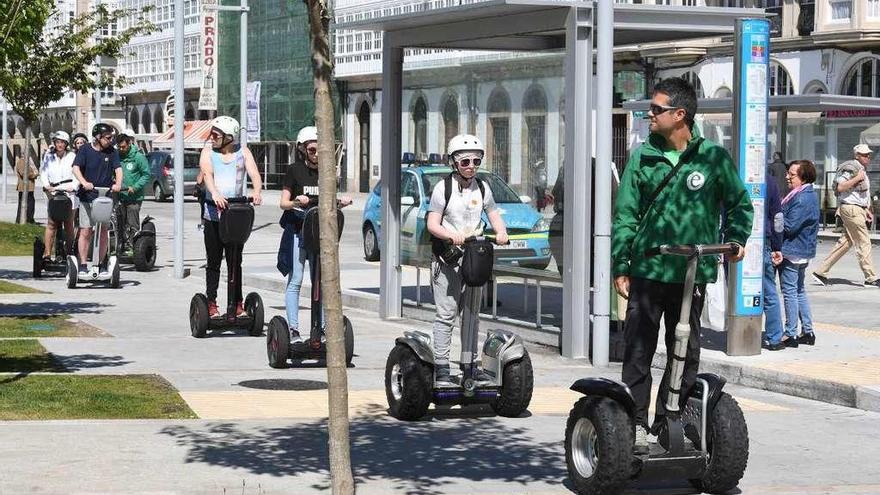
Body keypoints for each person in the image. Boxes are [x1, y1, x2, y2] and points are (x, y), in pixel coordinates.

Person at [611, 77, 752, 453]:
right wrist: (620, 264)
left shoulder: (712, 159)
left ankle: (669, 420)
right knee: (638, 351)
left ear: (680, 114)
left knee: (685, 352)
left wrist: (736, 239)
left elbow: (739, 203)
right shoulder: (643, 157)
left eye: (656, 109)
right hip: (648, 271)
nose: (649, 115)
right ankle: (636, 426)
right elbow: (625, 215)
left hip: (691, 275)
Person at [426, 134, 509, 386]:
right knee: (447, 313)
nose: (471, 165)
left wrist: (502, 231)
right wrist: (452, 236)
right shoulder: (443, 188)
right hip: (447, 259)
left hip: (474, 258)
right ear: (454, 163)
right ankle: (441, 366)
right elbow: (432, 224)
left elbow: (493, 214)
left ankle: (469, 365)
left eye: (476, 160)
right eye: (465, 162)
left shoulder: (482, 187)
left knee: (472, 313)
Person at [277, 125, 352, 343]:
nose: (317, 154)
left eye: (321, 149)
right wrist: (295, 202)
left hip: (320, 233)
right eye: (312, 150)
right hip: (298, 232)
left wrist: (340, 202)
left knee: (321, 281)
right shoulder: (294, 170)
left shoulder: (328, 173)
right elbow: (283, 203)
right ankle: (293, 330)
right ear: (302, 150)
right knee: (297, 279)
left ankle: (322, 329)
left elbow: (329, 202)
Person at [200, 116, 263, 318]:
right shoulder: (208, 152)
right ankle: (211, 302)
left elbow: (254, 175)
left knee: (235, 261)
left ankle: (237, 303)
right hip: (213, 215)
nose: (212, 138)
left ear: (229, 137)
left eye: (216, 135)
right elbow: (207, 175)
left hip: (235, 215)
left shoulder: (243, 153)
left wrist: (257, 192)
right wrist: (215, 194)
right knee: (214, 261)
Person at [812, 144, 878, 287]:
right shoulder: (851, 168)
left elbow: (860, 194)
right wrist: (857, 178)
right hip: (851, 209)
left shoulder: (860, 169)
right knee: (864, 241)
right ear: (856, 155)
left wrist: (866, 209)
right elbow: (841, 187)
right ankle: (870, 277)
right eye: (864, 155)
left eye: (868, 155)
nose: (868, 157)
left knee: (846, 242)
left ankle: (820, 272)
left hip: (856, 209)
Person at [779, 160, 820, 347]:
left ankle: (791, 333)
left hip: (794, 250)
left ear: (803, 178)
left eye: (792, 174)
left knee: (790, 292)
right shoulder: (804, 194)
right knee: (799, 290)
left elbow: (790, 226)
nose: (787, 176)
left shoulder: (802, 197)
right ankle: (808, 331)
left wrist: (774, 217)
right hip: (802, 250)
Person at [72, 123, 122, 273]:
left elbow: (118, 169)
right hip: (88, 196)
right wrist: (84, 183)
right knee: (86, 230)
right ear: (98, 137)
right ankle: (82, 265)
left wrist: (118, 184)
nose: (110, 140)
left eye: (112, 137)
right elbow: (76, 168)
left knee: (103, 230)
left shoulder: (112, 152)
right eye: (108, 137)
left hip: (105, 197)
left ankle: (100, 263)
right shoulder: (85, 149)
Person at [39, 131, 79, 260]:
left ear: (66, 143)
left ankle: (70, 252)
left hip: (69, 191)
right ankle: (47, 253)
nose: (59, 144)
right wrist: (46, 186)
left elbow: (77, 173)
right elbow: (44, 172)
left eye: (62, 142)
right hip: (53, 191)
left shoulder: (72, 156)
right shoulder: (49, 156)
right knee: (52, 223)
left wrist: (74, 186)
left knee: (68, 223)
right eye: (57, 142)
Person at [115, 129, 151, 255]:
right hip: (119, 196)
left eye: (123, 147)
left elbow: (146, 175)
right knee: (119, 223)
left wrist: (135, 187)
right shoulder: (117, 156)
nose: (121, 149)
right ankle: (120, 246)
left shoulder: (138, 157)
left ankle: (133, 247)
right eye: (119, 147)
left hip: (134, 197)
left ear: (129, 143)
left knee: (132, 223)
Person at [762, 177, 785, 350]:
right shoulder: (770, 181)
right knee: (769, 291)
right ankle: (775, 337)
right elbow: (777, 217)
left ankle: (739, 330)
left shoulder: (733, 177)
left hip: (736, 243)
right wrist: (777, 245)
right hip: (764, 242)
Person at [15, 150, 38, 224]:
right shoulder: (21, 162)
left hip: (29, 187)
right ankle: (25, 220)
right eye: (28, 154)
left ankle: (28, 219)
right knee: (26, 204)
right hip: (24, 187)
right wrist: (34, 175)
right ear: (23, 154)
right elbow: (23, 173)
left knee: (30, 204)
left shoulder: (26, 162)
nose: (29, 155)